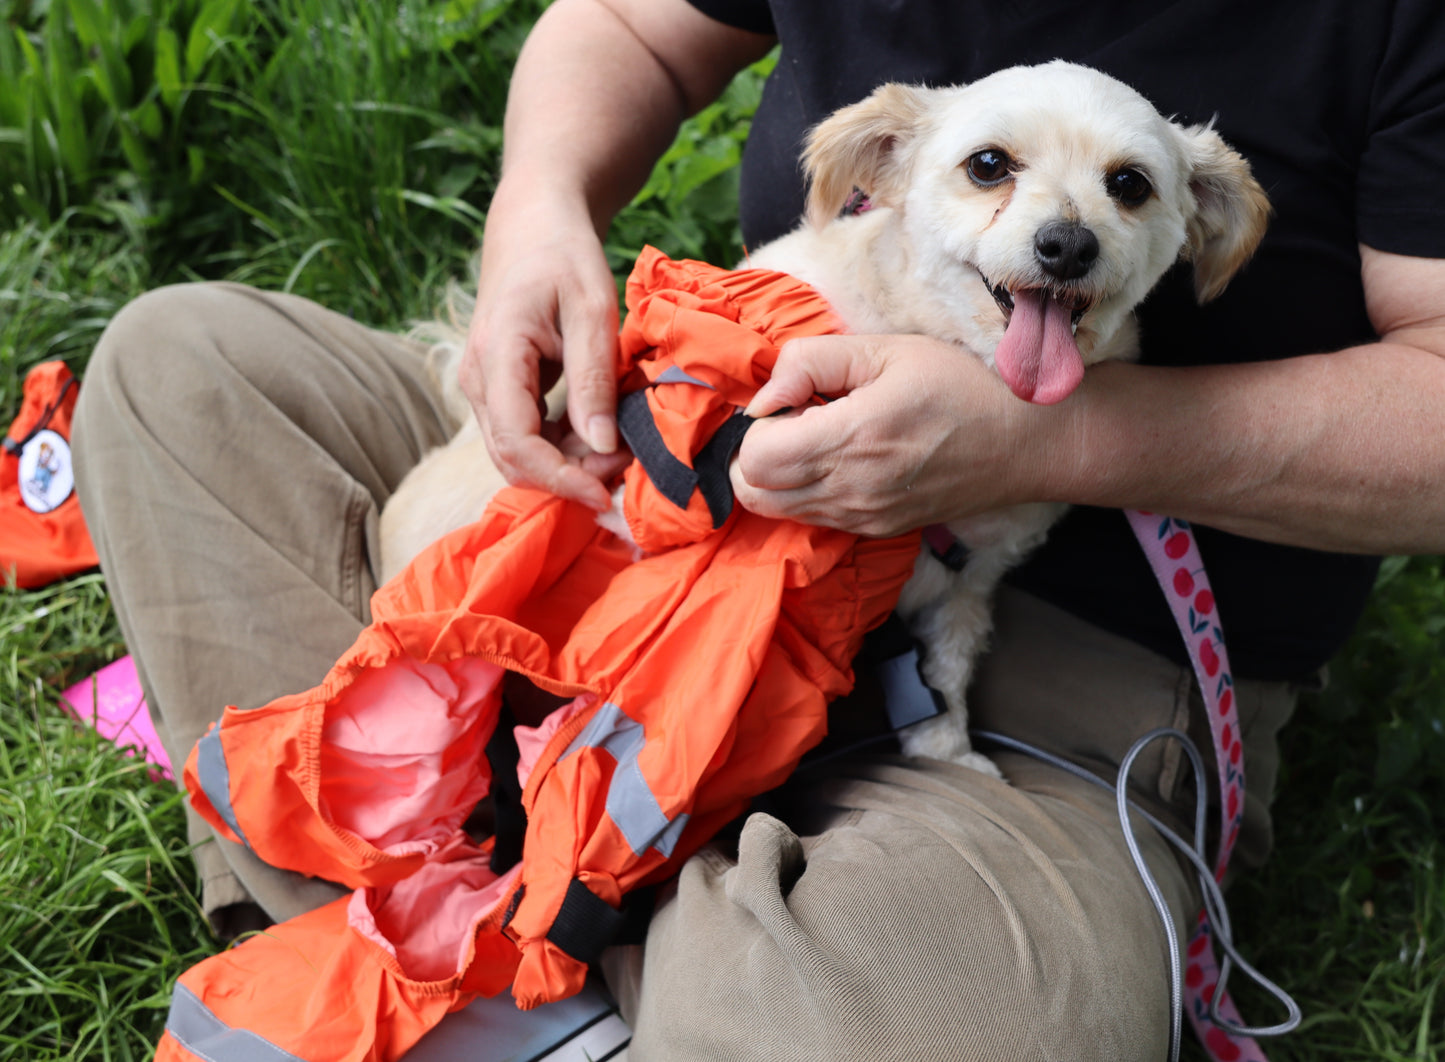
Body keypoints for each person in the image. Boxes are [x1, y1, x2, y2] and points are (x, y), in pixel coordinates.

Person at [72, 0, 1445, 1058]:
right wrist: (536, 210)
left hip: (1053, 652)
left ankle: (502, 904)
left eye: (1124, 195)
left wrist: (1051, 442)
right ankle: (540, 911)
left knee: (956, 1015)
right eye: (987, 171)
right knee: (180, 365)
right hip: (653, 517)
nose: (1062, 229)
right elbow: (620, 27)